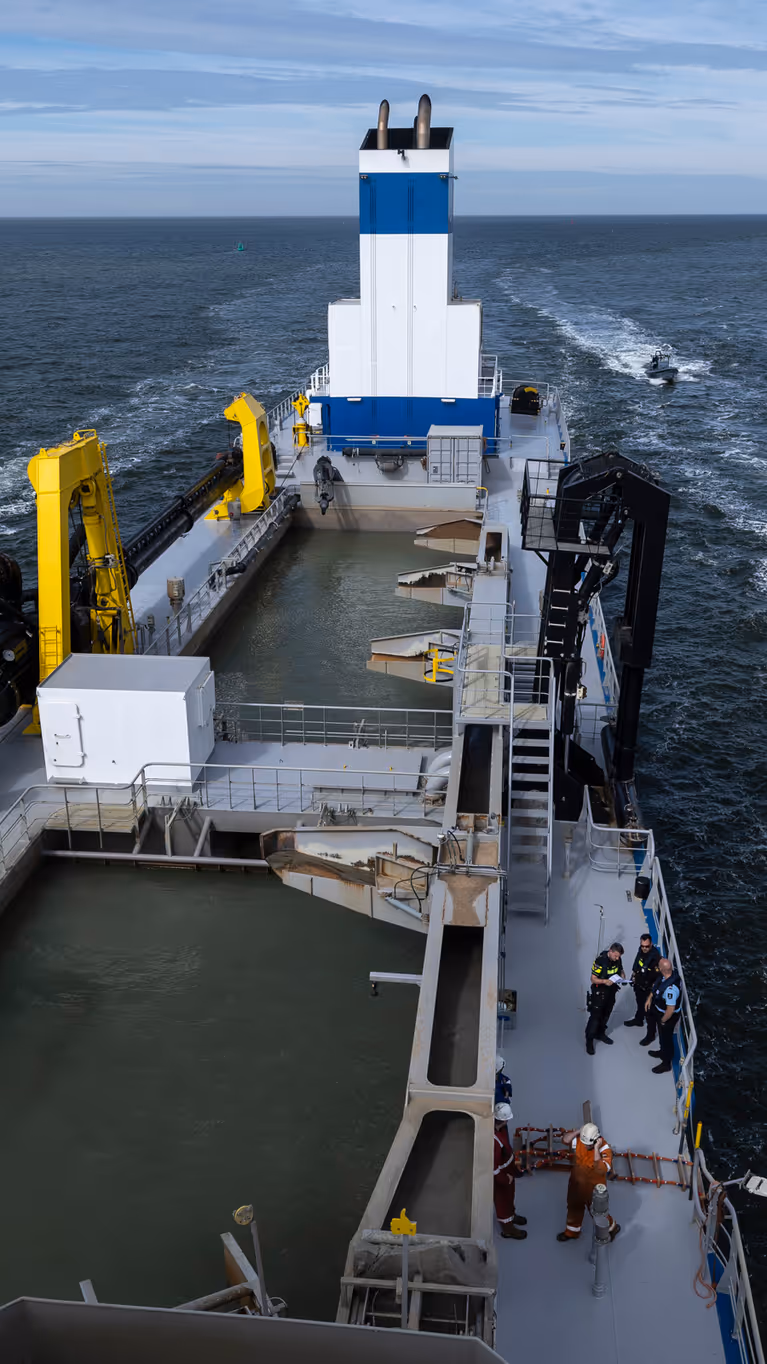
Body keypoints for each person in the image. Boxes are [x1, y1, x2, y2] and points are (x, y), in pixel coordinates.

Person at [556, 1122, 620, 1243]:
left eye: (588, 1145)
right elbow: (565, 1140)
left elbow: (601, 1169)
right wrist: (577, 1132)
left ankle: (612, 1228)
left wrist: (596, 1149)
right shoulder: (581, 1140)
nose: (585, 1146)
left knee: (598, 1212)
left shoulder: (604, 1149)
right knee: (574, 1207)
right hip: (577, 1182)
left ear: (596, 1140)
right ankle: (572, 1232)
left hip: (593, 1187)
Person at [640, 956, 682, 1073]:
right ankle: (662, 1051)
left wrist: (663, 1020)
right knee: (662, 1038)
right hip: (659, 1010)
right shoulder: (665, 977)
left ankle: (666, 1063)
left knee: (666, 1039)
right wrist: (649, 998)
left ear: (663, 969)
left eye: (659, 966)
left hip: (667, 1017)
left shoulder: (670, 990)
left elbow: (670, 1010)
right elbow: (656, 988)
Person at [493, 1102, 527, 1240]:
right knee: (502, 1200)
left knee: (510, 1197)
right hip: (502, 1175)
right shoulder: (493, 1140)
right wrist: (504, 1178)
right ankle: (508, 1229)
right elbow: (493, 1167)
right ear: (503, 1120)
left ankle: (511, 1216)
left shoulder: (500, 1130)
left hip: (508, 1170)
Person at [585, 942, 625, 1054]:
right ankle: (589, 1039)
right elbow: (593, 979)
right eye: (615, 956)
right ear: (610, 951)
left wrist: (622, 976)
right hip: (600, 992)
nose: (617, 958)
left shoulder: (618, 960)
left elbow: (621, 970)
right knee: (595, 1017)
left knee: (606, 1014)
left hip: (611, 992)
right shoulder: (600, 961)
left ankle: (600, 1033)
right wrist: (604, 981)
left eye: (619, 957)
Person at [624, 933, 661, 1028]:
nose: (644, 948)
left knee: (648, 1008)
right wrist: (633, 975)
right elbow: (637, 963)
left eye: (647, 946)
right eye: (642, 946)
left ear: (651, 944)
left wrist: (652, 990)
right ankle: (639, 1019)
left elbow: (658, 976)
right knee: (640, 1003)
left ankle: (651, 1030)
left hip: (648, 986)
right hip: (639, 983)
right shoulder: (640, 951)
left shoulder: (656, 958)